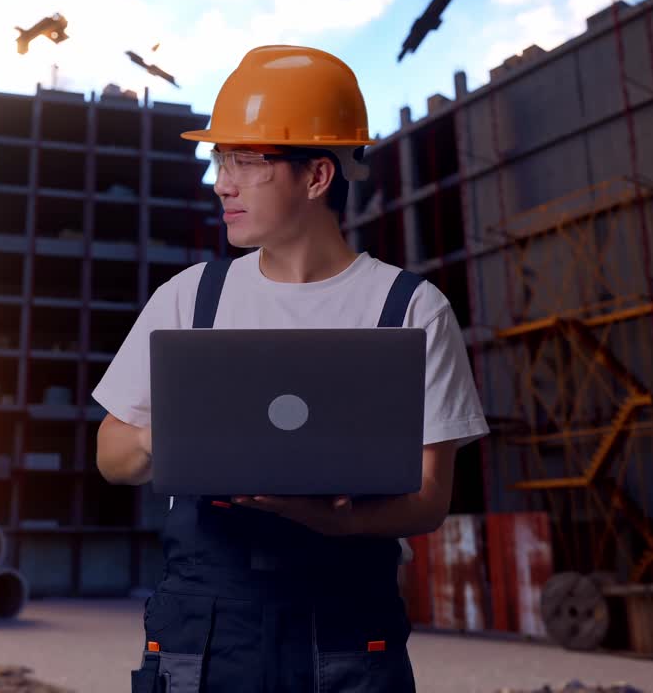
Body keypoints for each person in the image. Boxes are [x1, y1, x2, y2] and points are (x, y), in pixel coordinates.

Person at [91, 44, 489, 693]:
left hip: (346, 634)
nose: (222, 183)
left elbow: (429, 496)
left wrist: (338, 521)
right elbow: (110, 452)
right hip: (206, 631)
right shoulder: (191, 298)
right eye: (221, 161)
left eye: (246, 162)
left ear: (316, 177)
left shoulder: (411, 309)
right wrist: (160, 442)